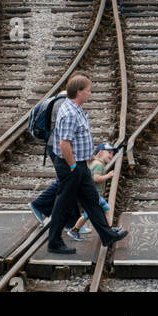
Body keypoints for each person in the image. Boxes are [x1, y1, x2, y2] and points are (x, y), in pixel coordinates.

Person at [44, 73, 127, 255]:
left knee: (91, 200)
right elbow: (64, 143)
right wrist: (73, 166)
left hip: (79, 164)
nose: (90, 93)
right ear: (79, 92)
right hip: (71, 166)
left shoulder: (76, 108)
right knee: (63, 204)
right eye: (88, 90)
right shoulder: (69, 113)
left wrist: (86, 157)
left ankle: (107, 235)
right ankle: (54, 242)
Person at [67, 143, 116, 241]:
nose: (111, 155)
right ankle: (109, 229)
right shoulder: (98, 165)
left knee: (91, 213)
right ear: (100, 152)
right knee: (102, 210)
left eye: (112, 153)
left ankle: (75, 230)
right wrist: (108, 176)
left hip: (93, 195)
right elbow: (95, 178)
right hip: (95, 195)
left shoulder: (96, 163)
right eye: (109, 152)